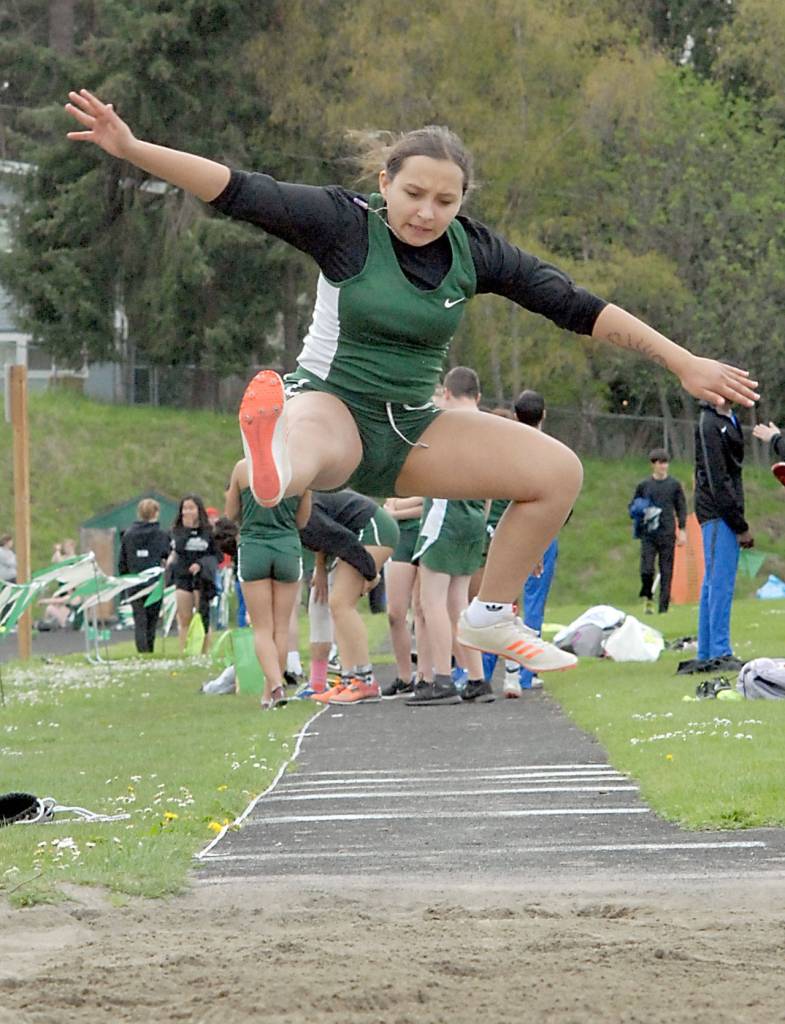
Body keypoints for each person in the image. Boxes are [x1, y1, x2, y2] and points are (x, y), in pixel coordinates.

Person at [65, 91, 758, 675]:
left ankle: (490, 614)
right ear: (385, 180)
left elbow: (576, 305)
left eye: (444, 200)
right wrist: (131, 146)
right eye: (413, 194)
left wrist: (680, 361)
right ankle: (272, 464)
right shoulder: (343, 224)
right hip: (332, 403)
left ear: (463, 202)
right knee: (306, 431)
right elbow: (238, 190)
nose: (426, 212)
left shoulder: (475, 250)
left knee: (556, 471)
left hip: (413, 428)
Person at [408, 367, 491, 705]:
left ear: (446, 393)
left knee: (432, 601)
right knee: (459, 602)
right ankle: (477, 678)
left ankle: (442, 677)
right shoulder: (490, 426)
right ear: (478, 396)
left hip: (445, 513)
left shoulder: (445, 421)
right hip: (473, 517)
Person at [224, 459, 311, 710]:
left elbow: (230, 514)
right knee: (281, 629)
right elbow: (303, 520)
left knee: (261, 628)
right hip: (286, 546)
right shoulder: (300, 469)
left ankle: (274, 685)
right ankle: (270, 691)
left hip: (253, 547)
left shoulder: (242, 468)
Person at [299, 490, 399, 705]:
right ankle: (348, 679)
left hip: (374, 529)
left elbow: (343, 539)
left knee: (341, 604)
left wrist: (371, 574)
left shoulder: (301, 509)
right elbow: (322, 538)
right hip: (357, 534)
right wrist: (321, 570)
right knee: (338, 606)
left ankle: (365, 680)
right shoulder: (297, 511)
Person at [694, 399, 753, 668]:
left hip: (726, 510)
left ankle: (707, 651)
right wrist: (739, 524)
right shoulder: (710, 423)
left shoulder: (730, 420)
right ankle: (719, 650)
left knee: (713, 581)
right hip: (718, 512)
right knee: (719, 583)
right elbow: (719, 478)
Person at [629, 447, 687, 616]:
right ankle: (648, 597)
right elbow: (632, 506)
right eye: (660, 463)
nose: (663, 466)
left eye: (665, 463)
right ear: (653, 465)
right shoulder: (644, 485)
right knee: (646, 569)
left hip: (667, 532)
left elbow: (681, 507)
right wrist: (639, 511)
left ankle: (663, 608)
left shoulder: (674, 485)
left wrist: (682, 529)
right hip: (648, 534)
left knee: (666, 571)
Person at [382, 495, 423, 697]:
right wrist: (397, 507)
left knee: (422, 609)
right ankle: (405, 676)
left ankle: (427, 673)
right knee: (395, 613)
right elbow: (388, 502)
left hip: (426, 533)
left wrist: (397, 510)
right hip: (401, 536)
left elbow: (429, 502)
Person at [118, 498, 171, 653]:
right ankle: (150, 648)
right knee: (152, 619)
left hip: (135, 581)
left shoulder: (128, 535)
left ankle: (142, 650)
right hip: (154, 582)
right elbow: (167, 555)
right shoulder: (161, 534)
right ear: (156, 513)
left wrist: (125, 578)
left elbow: (123, 561)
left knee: (139, 618)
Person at [168, 494, 217, 654]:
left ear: (198, 510)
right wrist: (187, 530)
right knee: (184, 617)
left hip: (202, 578)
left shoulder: (208, 532)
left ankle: (204, 651)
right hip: (182, 576)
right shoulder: (177, 531)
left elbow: (216, 555)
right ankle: (185, 651)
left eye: (191, 508)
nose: (187, 512)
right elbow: (178, 549)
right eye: (185, 508)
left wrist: (201, 564)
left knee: (203, 616)